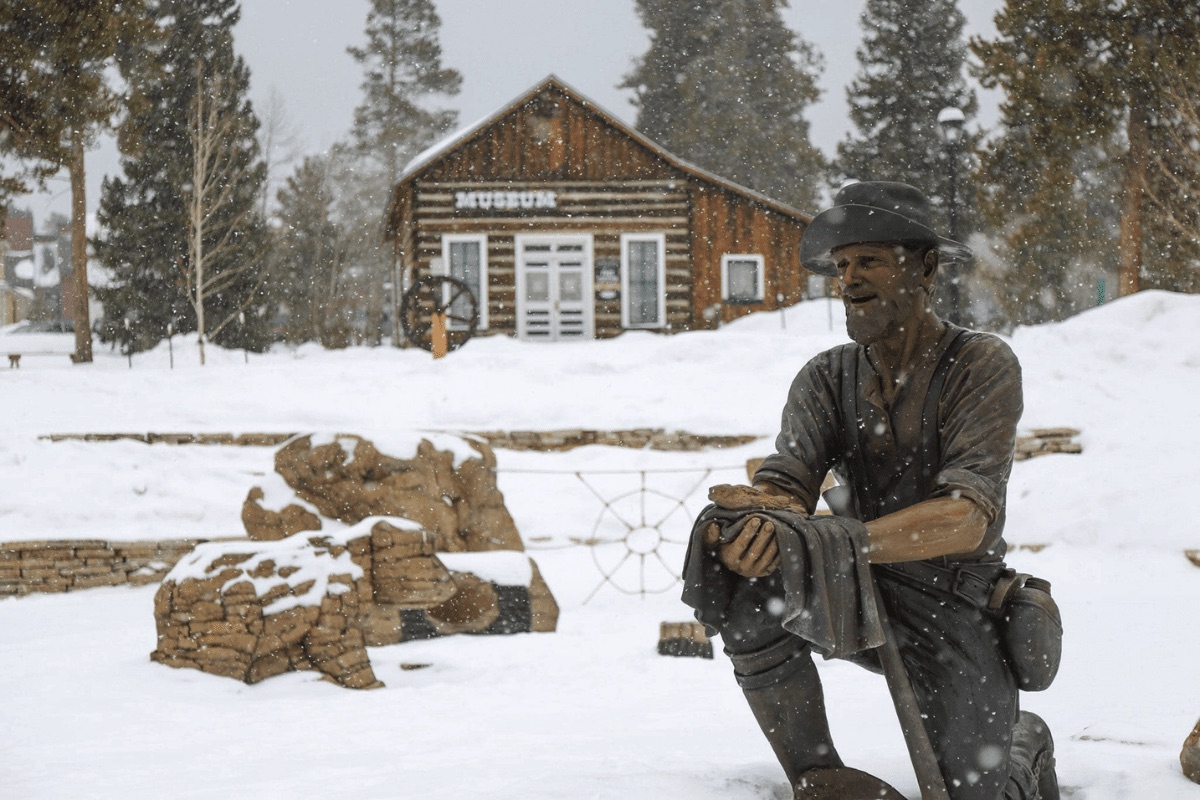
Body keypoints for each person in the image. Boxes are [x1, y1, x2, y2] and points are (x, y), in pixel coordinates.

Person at [682, 182, 1059, 799]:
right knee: (737, 568)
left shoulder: (981, 364)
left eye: (870, 262)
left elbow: (965, 518)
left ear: (926, 268)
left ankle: (1026, 745)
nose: (849, 280)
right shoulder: (828, 376)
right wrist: (748, 530)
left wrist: (836, 542)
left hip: (954, 601)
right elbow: (787, 485)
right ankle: (818, 773)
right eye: (842, 266)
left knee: (973, 794)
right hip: (853, 587)